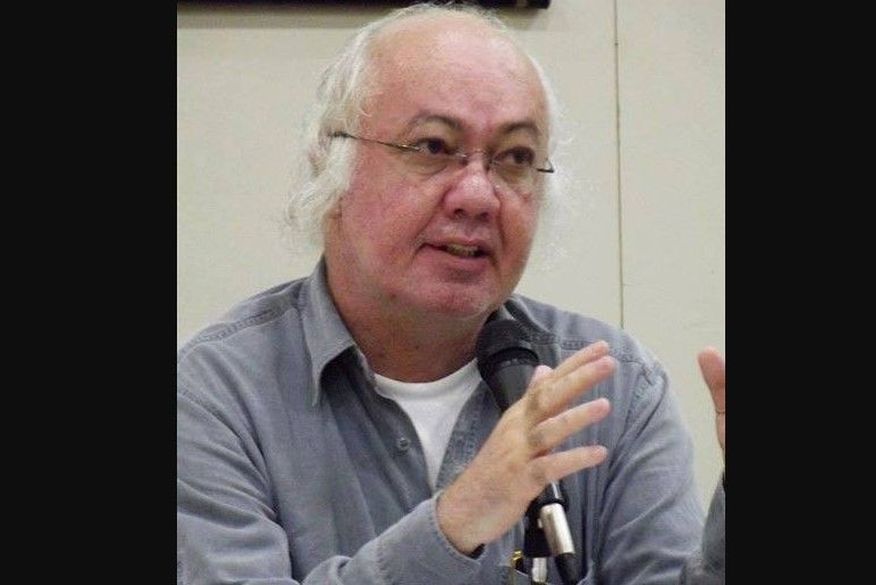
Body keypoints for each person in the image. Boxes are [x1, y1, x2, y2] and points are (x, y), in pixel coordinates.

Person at [177, 3, 725, 584]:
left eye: (515, 158)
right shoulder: (216, 396)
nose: (478, 196)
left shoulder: (611, 388)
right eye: (433, 147)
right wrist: (456, 523)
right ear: (330, 164)